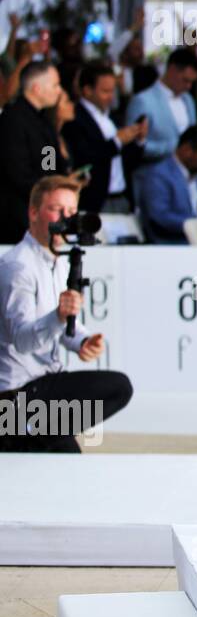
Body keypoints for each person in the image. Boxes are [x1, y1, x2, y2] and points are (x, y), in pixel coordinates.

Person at [0, 176, 133, 452]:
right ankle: (19, 431)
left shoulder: (57, 260)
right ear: (34, 212)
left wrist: (81, 340)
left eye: (72, 212)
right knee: (118, 386)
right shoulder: (18, 267)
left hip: (43, 387)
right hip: (17, 393)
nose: (66, 219)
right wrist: (59, 317)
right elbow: (22, 340)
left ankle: (25, 436)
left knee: (67, 463)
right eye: (57, 210)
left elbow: (60, 326)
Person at [63, 61, 148, 214]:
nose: (111, 97)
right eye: (105, 91)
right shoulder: (74, 117)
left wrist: (139, 140)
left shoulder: (112, 118)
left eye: (113, 91)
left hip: (122, 197)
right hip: (94, 202)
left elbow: (126, 161)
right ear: (88, 90)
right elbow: (85, 156)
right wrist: (116, 142)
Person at [0, 60, 69, 243]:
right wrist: (47, 191)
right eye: (55, 85)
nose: (59, 91)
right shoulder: (12, 120)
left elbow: (49, 163)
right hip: (17, 216)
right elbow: (16, 172)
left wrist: (62, 181)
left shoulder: (43, 121)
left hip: (42, 210)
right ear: (37, 88)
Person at [126, 48, 197, 168]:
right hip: (152, 175)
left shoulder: (188, 100)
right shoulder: (142, 101)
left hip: (184, 174)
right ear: (172, 70)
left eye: (192, 82)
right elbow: (135, 145)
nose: (188, 86)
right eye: (185, 80)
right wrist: (173, 148)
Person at [137, 125, 197, 243]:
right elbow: (159, 217)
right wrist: (196, 225)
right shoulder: (158, 175)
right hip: (172, 245)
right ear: (187, 150)